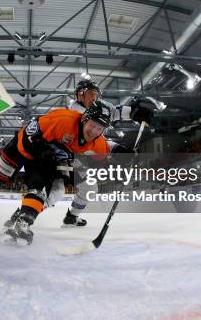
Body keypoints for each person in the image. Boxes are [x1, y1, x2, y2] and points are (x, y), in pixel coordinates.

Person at [0, 101, 117, 245]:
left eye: (100, 128)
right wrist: (41, 148)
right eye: (92, 125)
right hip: (24, 146)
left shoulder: (98, 142)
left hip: (48, 157)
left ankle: (22, 220)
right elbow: (30, 131)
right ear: (84, 119)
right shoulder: (62, 120)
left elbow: (107, 154)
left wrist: (125, 160)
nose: (94, 131)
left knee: (47, 189)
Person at [61, 79, 154, 226]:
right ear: (80, 95)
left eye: (96, 94)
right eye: (91, 94)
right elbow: (95, 145)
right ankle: (29, 213)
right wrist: (118, 150)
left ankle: (71, 217)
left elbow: (114, 111)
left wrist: (136, 112)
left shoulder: (94, 108)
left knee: (89, 188)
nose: (94, 98)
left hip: (81, 160)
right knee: (55, 187)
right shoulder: (75, 114)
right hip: (67, 158)